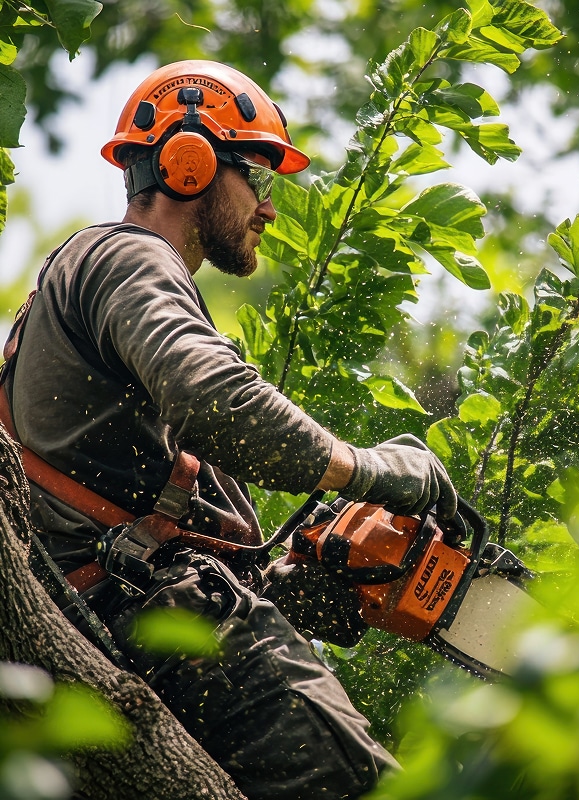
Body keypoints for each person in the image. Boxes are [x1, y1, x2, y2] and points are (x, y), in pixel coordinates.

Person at [0, 60, 457, 799]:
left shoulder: (97, 284)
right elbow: (217, 400)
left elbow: (147, 515)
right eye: (259, 179)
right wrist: (368, 469)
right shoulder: (127, 258)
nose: (269, 210)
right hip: (154, 620)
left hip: (115, 625)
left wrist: (297, 588)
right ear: (192, 164)